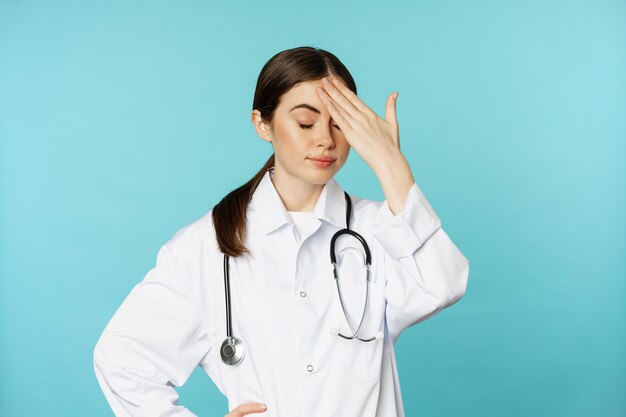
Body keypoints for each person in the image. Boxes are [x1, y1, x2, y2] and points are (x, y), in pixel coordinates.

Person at [93, 46, 470, 417]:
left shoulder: (382, 228)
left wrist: (392, 165)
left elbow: (444, 285)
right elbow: (122, 361)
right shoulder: (205, 247)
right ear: (262, 124)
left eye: (340, 123)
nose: (325, 138)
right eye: (306, 123)